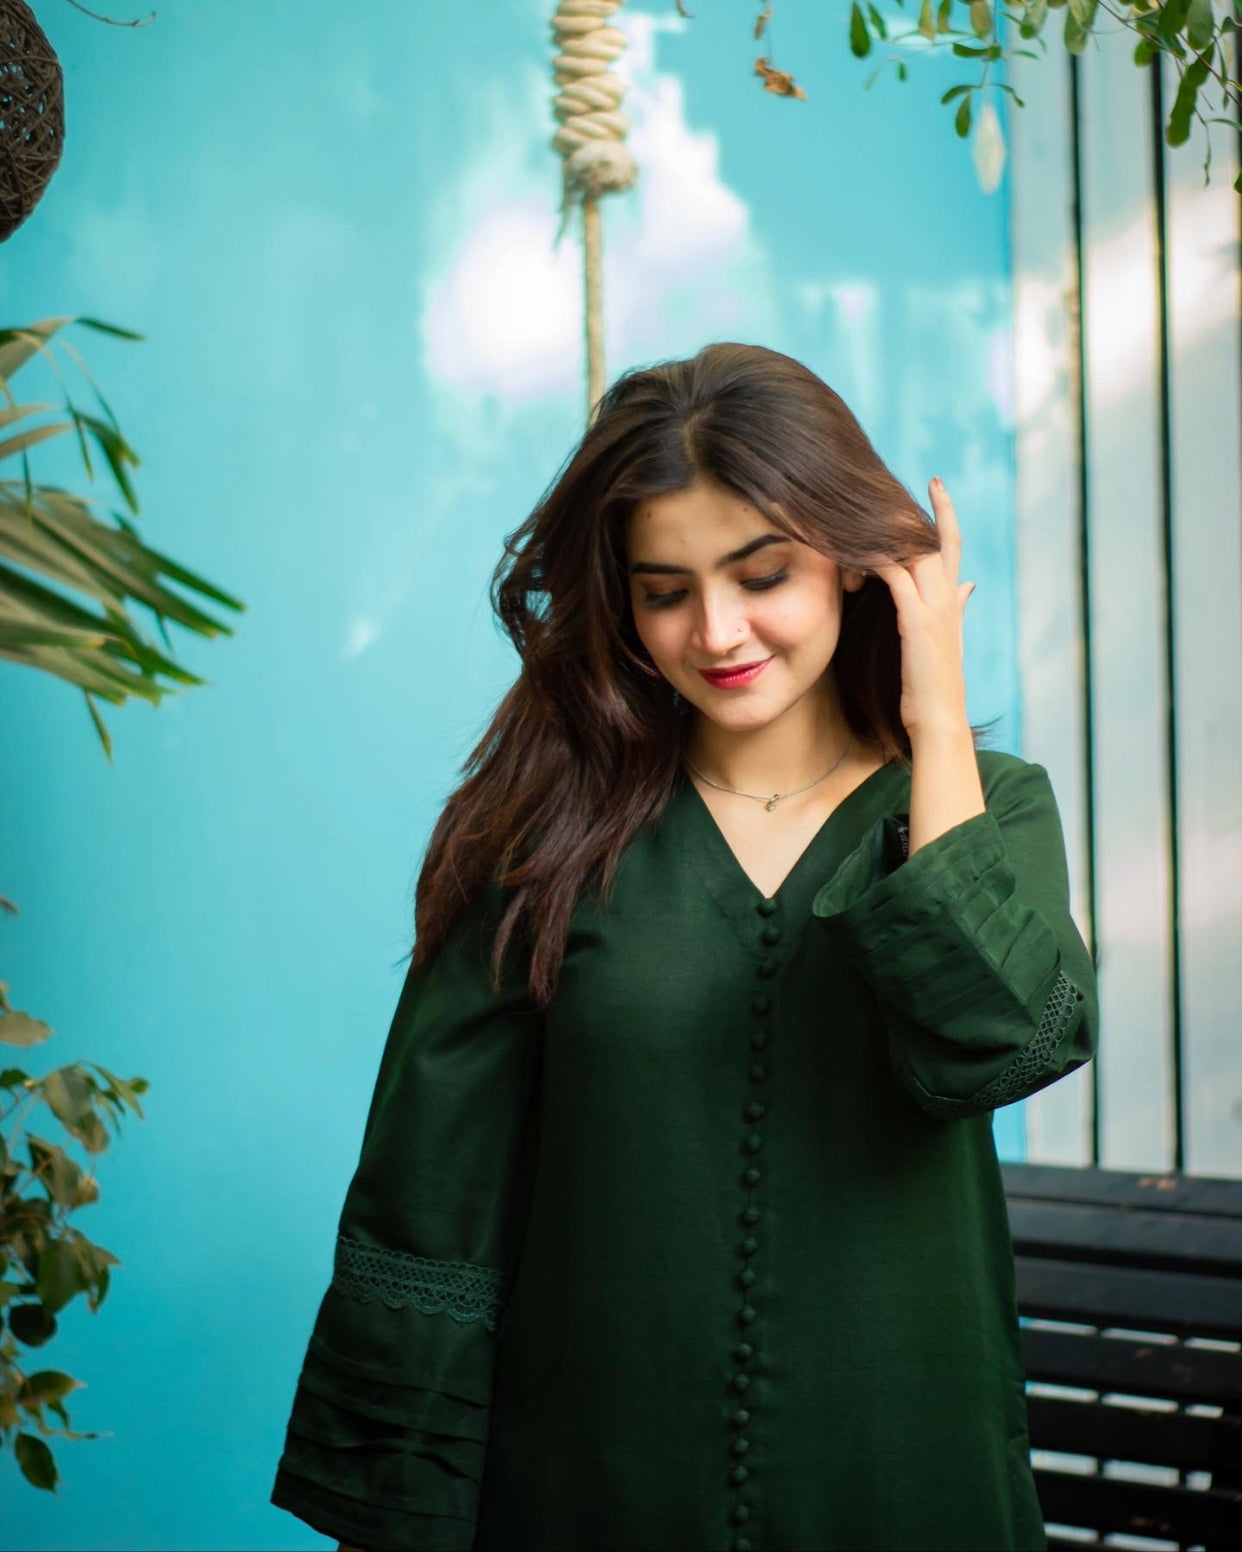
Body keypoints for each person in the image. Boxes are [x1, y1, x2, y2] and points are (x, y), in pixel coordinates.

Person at [270, 341, 1098, 1552]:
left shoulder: (987, 808)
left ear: (854, 565)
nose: (718, 629)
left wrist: (933, 710)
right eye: (666, 590)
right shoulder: (542, 836)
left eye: (764, 573)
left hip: (907, 1480)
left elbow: (998, 1045)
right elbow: (428, 1202)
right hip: (585, 1489)